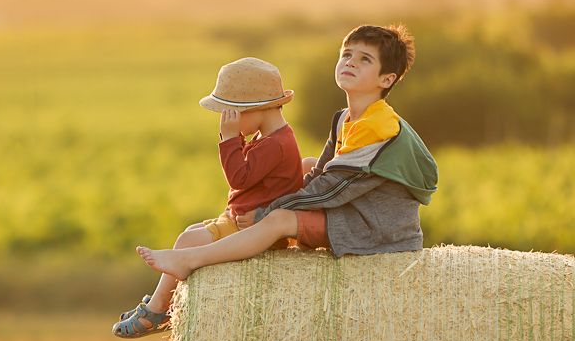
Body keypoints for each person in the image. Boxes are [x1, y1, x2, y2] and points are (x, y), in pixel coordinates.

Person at [135, 24, 438, 283]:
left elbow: (330, 190)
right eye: (346, 54)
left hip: (375, 229)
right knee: (305, 168)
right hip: (354, 208)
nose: (351, 62)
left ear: (387, 79)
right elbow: (321, 173)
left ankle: (191, 259)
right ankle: (242, 236)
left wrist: (266, 213)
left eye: (365, 59)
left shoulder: (377, 127)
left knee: (279, 220)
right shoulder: (344, 118)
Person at [112, 57, 305, 339]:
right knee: (191, 232)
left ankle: (155, 311)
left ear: (254, 110)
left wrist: (229, 139)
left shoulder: (276, 144)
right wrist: (236, 139)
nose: (227, 121)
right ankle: (166, 303)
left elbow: (238, 178)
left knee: (187, 241)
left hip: (254, 229)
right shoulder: (272, 137)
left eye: (230, 114)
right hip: (243, 219)